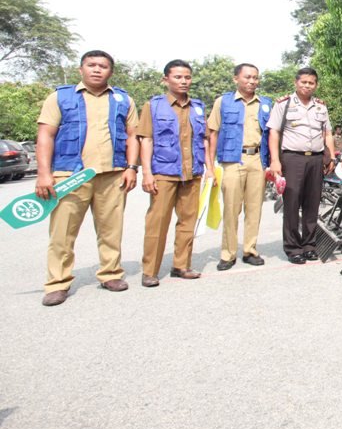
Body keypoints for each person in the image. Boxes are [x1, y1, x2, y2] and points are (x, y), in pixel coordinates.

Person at [35, 50, 140, 306]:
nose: (96, 69)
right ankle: (57, 283)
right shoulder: (61, 97)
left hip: (112, 175)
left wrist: (131, 167)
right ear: (81, 69)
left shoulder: (122, 99)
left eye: (102, 66)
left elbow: (132, 136)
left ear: (110, 72)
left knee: (111, 230)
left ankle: (110, 273)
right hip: (70, 176)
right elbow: (45, 136)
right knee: (62, 233)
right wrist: (44, 174)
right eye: (91, 65)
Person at [138, 59, 213, 286]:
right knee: (157, 223)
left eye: (187, 77)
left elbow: (205, 140)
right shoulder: (153, 106)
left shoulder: (197, 107)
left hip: (192, 173)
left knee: (188, 222)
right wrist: (147, 173)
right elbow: (146, 139)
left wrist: (209, 168)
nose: (183, 81)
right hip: (164, 172)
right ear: (166, 79)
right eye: (178, 77)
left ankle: (181, 265)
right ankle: (150, 271)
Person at [207, 63, 273, 271]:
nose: (252, 81)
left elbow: (272, 135)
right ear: (236, 79)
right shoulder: (223, 102)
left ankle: (250, 250)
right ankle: (228, 254)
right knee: (231, 209)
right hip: (232, 160)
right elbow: (212, 133)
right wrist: (210, 167)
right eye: (247, 77)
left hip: (257, 160)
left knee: (254, 209)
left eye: (255, 77)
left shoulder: (265, 103)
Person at [267, 67, 336, 265]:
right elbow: (274, 133)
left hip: (316, 159)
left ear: (316, 85)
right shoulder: (284, 104)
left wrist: (329, 157)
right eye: (303, 82)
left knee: (312, 203)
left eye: (311, 82)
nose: (307, 85)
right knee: (292, 203)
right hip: (292, 158)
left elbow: (327, 133)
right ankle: (293, 248)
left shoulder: (321, 107)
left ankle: (309, 245)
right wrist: (275, 160)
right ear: (296, 82)